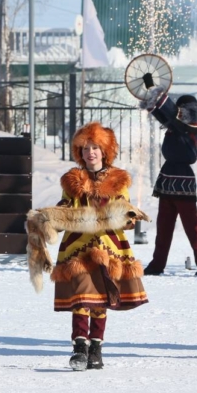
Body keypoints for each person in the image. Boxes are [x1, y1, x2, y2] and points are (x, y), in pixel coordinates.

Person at [50, 122, 147, 371]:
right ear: (79, 152)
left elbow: (124, 209)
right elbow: (65, 205)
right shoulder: (72, 180)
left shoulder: (118, 180)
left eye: (95, 147)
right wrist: (53, 218)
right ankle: (79, 346)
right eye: (85, 148)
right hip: (77, 247)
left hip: (109, 248)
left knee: (101, 299)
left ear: (105, 151)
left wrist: (130, 215)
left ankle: (96, 346)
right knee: (82, 296)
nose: (90, 152)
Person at [139, 82, 197, 276]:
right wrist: (150, 94)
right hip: (169, 176)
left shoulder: (193, 123)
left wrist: (155, 89)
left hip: (182, 179)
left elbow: (170, 111)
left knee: (191, 226)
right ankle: (157, 264)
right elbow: (162, 113)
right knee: (163, 226)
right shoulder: (177, 124)